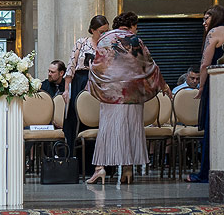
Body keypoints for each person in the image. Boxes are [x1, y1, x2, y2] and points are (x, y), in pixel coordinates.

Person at [86, 11, 170, 186]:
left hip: (110, 92)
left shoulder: (105, 40)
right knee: (131, 129)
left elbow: (97, 66)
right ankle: (127, 170)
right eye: (136, 27)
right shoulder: (134, 40)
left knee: (108, 129)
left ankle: (100, 168)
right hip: (132, 92)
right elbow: (149, 64)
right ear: (132, 26)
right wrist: (163, 84)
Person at [187, 4, 224, 183]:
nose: (203, 23)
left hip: (215, 85)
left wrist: (201, 87)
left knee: (211, 128)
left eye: (206, 18)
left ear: (215, 17)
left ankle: (205, 173)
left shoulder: (214, 33)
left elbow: (205, 64)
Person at [63, 14, 111, 151]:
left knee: (98, 118)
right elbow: (71, 66)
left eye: (107, 31)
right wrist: (67, 89)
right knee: (77, 118)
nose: (105, 34)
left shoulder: (108, 46)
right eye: (102, 31)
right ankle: (75, 158)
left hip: (100, 83)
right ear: (92, 30)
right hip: (80, 82)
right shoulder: (81, 42)